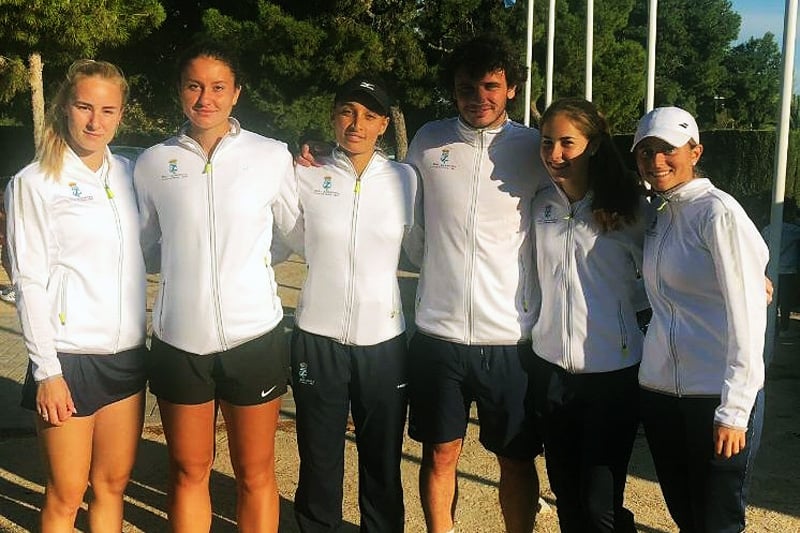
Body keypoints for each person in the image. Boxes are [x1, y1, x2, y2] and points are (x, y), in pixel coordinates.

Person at [133, 40, 299, 532]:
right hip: (179, 341)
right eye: (194, 85)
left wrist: (240, 265)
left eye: (218, 87)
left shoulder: (271, 156)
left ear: (236, 94)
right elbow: (141, 245)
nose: (205, 97)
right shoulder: (151, 162)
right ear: (180, 91)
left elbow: (291, 238)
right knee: (188, 470)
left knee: (255, 473)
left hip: (254, 339)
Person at [403, 35, 547, 533]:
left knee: (515, 458)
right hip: (438, 335)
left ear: (510, 88)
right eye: (467, 86)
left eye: (491, 85)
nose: (478, 96)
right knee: (441, 453)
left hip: (508, 337)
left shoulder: (534, 148)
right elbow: (412, 227)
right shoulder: (428, 140)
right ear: (454, 88)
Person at [5, 59, 146, 531]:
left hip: (126, 355)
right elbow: (28, 282)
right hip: (68, 360)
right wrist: (47, 372)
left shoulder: (129, 175)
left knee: (111, 487)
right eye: (84, 106)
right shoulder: (34, 182)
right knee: (66, 495)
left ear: (121, 114)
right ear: (65, 107)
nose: (95, 121)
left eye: (108, 110)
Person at [284, 76, 417, 532]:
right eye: (347, 112)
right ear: (333, 116)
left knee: (381, 456)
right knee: (318, 455)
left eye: (368, 115)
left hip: (383, 339)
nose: (356, 124)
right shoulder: (305, 173)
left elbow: (418, 247)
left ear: (384, 124)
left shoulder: (406, 179)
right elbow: (286, 239)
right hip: (317, 336)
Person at [633, 106, 767, 532]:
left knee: (718, 521)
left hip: (715, 394)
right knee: (687, 516)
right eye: (646, 151)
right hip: (661, 394)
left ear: (695, 152)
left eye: (668, 150)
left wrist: (734, 410)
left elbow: (748, 316)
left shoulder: (717, 213)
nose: (656, 161)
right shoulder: (657, 215)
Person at [529, 97, 645, 532]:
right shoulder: (539, 202)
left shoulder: (627, 208)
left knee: (600, 504)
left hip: (612, 375)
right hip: (552, 370)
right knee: (566, 494)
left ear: (593, 145)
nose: (555, 154)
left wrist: (751, 277)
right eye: (546, 143)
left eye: (567, 143)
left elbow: (674, 257)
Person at [761, 197, 800, 337]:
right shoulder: (794, 230)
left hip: (772, 269)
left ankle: (773, 327)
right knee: (786, 301)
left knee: (773, 300)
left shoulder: (768, 229)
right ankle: (784, 327)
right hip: (788, 270)